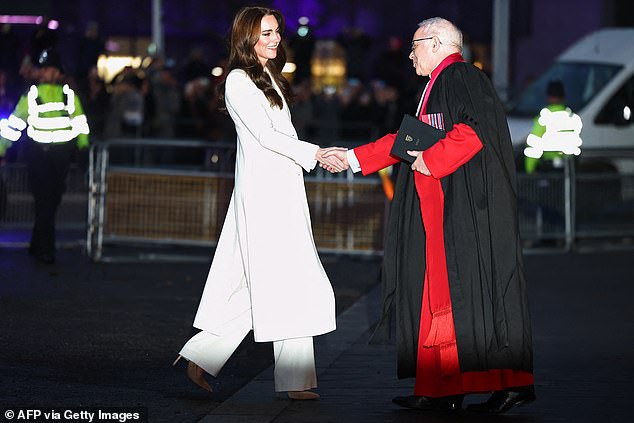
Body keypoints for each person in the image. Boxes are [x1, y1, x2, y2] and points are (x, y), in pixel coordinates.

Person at [324, 17, 535, 413]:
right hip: (443, 208)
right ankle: (440, 387)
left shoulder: (459, 78)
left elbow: (472, 133)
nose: (409, 54)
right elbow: (409, 140)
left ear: (436, 42)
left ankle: (506, 384)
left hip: (467, 210)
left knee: (469, 293)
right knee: (440, 295)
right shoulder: (439, 85)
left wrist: (430, 161)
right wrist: (352, 157)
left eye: (415, 46)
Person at [173, 6, 346, 400]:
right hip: (264, 195)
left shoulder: (267, 75)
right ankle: (296, 381)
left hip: (282, 190)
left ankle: (202, 355)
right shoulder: (237, 79)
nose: (274, 39)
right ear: (246, 37)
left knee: (265, 284)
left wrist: (311, 156)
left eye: (276, 32)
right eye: (265, 33)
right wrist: (316, 153)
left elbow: (277, 136)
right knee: (287, 282)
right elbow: (266, 137)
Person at [0, 48, 89, 264]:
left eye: (51, 69)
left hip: (60, 156)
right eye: (44, 69)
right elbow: (15, 124)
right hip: (38, 155)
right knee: (44, 201)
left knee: (53, 199)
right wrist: (2, 149)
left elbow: (79, 123)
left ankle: (36, 244)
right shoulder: (31, 96)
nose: (47, 73)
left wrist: (84, 147)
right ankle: (46, 249)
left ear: (59, 73)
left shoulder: (69, 96)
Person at [524, 79, 571, 174]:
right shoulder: (571, 117)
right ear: (563, 97)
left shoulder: (544, 118)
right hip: (568, 169)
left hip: (548, 169)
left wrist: (530, 169)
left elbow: (534, 145)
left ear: (548, 97)